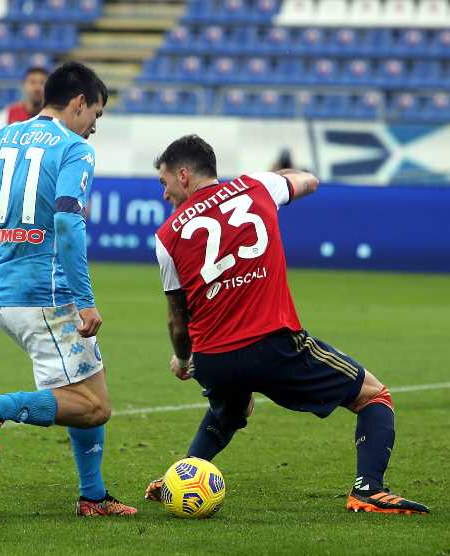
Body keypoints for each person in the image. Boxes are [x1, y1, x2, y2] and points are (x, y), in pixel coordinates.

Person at [144, 134, 429, 515]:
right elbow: (309, 181)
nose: (164, 195)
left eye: (163, 183)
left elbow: (178, 320)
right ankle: (368, 490)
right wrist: (281, 175)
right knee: (374, 397)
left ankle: (178, 478)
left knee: (231, 410)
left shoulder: (167, 236)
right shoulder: (257, 185)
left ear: (182, 175)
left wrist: (183, 360)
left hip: (213, 358)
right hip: (273, 345)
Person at [0, 61, 136, 517]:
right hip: (48, 296)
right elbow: (66, 219)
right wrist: (84, 299)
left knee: (80, 390)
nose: (94, 128)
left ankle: (93, 496)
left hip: (2, 293)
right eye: (96, 116)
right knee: (94, 405)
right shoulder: (74, 149)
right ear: (79, 103)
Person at [0, 67, 51, 256]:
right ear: (24, 86)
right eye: (33, 82)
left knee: (42, 252)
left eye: (42, 82)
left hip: (42, 191)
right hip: (10, 191)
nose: (37, 87)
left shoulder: (55, 119)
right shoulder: (11, 113)